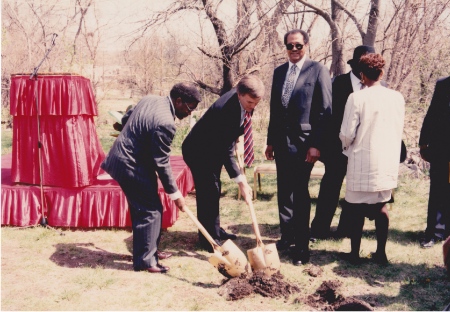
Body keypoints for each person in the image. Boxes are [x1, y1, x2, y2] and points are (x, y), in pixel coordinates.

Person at [100, 83, 202, 273]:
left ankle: (149, 251)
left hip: (123, 159)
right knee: (151, 210)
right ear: (178, 101)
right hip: (130, 164)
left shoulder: (150, 99)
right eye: (189, 108)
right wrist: (176, 195)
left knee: (143, 209)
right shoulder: (166, 123)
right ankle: (146, 261)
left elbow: (125, 118)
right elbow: (162, 163)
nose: (190, 113)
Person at [265, 29, 332, 265]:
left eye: (298, 46)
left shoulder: (318, 70)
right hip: (282, 144)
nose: (294, 50)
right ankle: (287, 236)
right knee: (284, 192)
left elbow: (325, 112)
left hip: (304, 145)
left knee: (300, 194)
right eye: (290, 46)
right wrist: (270, 141)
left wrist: (316, 145)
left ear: (306, 46)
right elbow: (275, 108)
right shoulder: (279, 72)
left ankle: (302, 247)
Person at [182, 75, 262, 252]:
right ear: (240, 94)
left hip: (213, 148)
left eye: (256, 103)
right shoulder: (225, 110)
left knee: (214, 190)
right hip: (198, 151)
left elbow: (234, 132)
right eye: (250, 102)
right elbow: (226, 153)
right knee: (208, 191)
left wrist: (238, 141)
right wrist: (241, 182)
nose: (252, 107)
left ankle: (215, 230)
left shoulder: (246, 100)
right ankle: (209, 240)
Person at [339, 53, 405, 265]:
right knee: (381, 207)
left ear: (361, 75)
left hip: (361, 159)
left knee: (357, 209)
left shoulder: (356, 97)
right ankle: (381, 253)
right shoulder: (397, 97)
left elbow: (347, 133)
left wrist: (346, 146)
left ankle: (355, 254)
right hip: (386, 160)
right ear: (382, 72)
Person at [310, 45, 381, 241]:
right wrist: (319, 145)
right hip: (336, 149)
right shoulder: (335, 84)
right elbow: (323, 115)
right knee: (330, 190)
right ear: (355, 63)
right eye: (363, 62)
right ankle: (319, 229)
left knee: (356, 192)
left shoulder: (377, 89)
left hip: (364, 150)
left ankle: (346, 229)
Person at [419, 47, 450, 248]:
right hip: (440, 150)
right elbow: (431, 115)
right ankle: (434, 233)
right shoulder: (443, 84)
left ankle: (448, 229)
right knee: (437, 190)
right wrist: (423, 142)